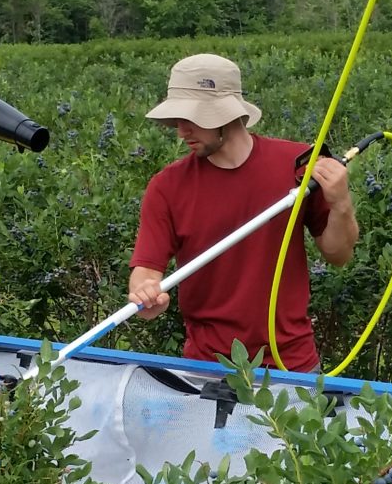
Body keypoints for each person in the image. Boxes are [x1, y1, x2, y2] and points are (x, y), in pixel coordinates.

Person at [127, 53, 357, 373]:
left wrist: (341, 202)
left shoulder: (299, 165)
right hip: (207, 369)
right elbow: (146, 272)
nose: (181, 131)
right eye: (177, 119)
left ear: (229, 114)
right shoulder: (166, 187)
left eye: (192, 118)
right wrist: (145, 296)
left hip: (292, 366)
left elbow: (339, 254)